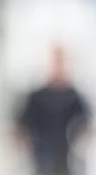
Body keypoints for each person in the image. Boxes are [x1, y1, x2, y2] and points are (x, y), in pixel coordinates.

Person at [17, 45, 90, 175]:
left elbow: (85, 126)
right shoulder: (37, 97)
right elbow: (23, 126)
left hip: (67, 160)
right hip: (42, 160)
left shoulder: (74, 97)